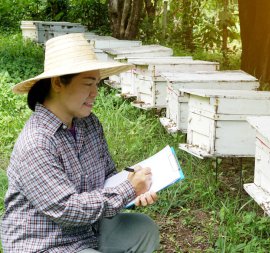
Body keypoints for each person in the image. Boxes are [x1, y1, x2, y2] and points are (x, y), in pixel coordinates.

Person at [0, 33, 160, 253]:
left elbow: (107, 176)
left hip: (89, 230)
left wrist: (136, 189)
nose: (95, 92)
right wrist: (127, 190)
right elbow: (66, 209)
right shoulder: (36, 143)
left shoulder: (89, 123)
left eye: (97, 83)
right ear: (58, 83)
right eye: (87, 83)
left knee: (144, 229)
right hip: (46, 243)